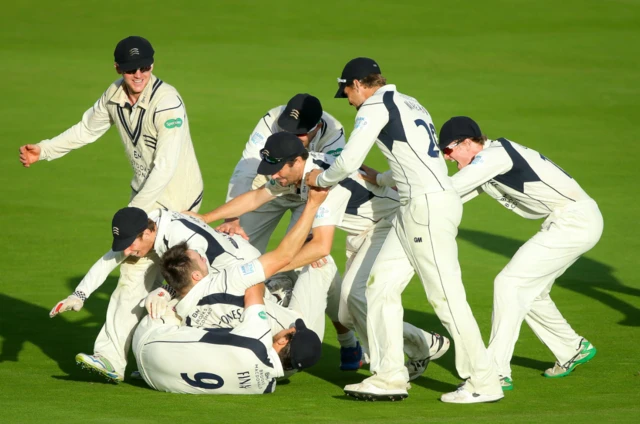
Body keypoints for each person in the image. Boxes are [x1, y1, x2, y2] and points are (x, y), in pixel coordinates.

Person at [304, 57, 503, 403]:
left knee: (446, 297)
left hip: (425, 209)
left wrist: (319, 179)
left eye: (347, 92)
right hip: (414, 207)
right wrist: (380, 178)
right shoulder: (410, 102)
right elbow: (419, 157)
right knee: (378, 288)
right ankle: (389, 376)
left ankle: (484, 381)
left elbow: (349, 159)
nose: (348, 100)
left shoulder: (374, 105)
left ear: (358, 85)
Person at [192, 132, 450, 382]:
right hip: (366, 232)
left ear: (297, 161)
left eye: (280, 169)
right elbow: (257, 197)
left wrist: (265, 270)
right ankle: (424, 342)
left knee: (355, 296)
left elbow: (321, 247)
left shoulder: (324, 181)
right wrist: (205, 218)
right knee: (349, 314)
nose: (275, 175)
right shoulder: (297, 173)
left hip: (392, 225)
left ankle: (393, 371)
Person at [23, 35, 204, 382]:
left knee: (179, 284)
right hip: (143, 203)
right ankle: (113, 360)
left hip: (178, 206)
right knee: (133, 277)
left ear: (153, 64)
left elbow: (165, 166)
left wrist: (134, 213)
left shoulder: (168, 102)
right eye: (131, 69)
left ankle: (166, 359)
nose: (139, 74)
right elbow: (86, 129)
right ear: (118, 68)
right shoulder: (114, 96)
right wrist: (44, 150)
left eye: (145, 67)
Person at [437, 116, 603, 391]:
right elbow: (454, 196)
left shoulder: (492, 157)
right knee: (530, 292)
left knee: (509, 283)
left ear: (467, 143)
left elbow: (448, 189)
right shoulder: (488, 160)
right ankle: (572, 347)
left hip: (574, 221)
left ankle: (496, 371)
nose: (446, 157)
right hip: (570, 220)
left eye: (448, 150)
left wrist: (403, 190)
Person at [50, 205, 254, 382]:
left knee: (174, 313)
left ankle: (165, 366)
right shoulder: (146, 225)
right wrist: (79, 295)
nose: (127, 251)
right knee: (134, 287)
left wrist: (164, 292)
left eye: (131, 245)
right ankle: (115, 361)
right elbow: (109, 260)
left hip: (230, 278)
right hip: (208, 277)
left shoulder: (183, 237)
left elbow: (198, 278)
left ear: (146, 234)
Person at [132, 283, 322, 394]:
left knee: (180, 297)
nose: (287, 328)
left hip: (148, 339)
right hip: (155, 381)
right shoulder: (267, 387)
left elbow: (253, 286)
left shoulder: (259, 338)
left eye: (291, 331)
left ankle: (167, 289)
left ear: (283, 341)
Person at [224, 93, 345, 250]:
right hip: (271, 184)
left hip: (308, 195)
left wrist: (314, 231)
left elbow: (330, 180)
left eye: (299, 133)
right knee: (239, 246)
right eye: (287, 130)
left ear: (318, 128)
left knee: (298, 257)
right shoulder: (272, 119)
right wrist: (232, 218)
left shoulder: (334, 132)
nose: (292, 137)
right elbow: (246, 167)